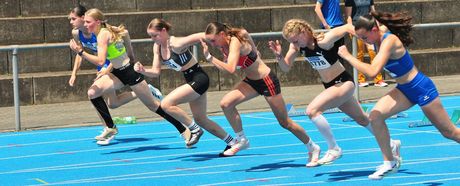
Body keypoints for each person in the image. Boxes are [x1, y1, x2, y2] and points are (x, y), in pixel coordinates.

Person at [337, 11, 460, 179]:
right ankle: (390, 162)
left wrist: (348, 57)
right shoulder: (370, 31)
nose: (363, 42)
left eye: (364, 38)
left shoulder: (390, 41)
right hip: (404, 90)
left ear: (374, 29)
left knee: (450, 133)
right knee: (375, 116)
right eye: (360, 38)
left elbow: (373, 72)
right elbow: (346, 27)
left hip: (421, 88)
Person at [268, 19, 400, 167]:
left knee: (312, 111)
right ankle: (391, 143)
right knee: (362, 119)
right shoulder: (296, 46)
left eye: (297, 41)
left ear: (304, 32)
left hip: (343, 82)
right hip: (330, 86)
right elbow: (285, 67)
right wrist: (279, 56)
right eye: (293, 42)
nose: (296, 45)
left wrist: (367, 40)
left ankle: (334, 148)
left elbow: (347, 27)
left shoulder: (324, 40)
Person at [68, 8, 198, 146]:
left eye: (88, 22)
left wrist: (81, 52)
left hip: (129, 72)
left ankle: (183, 129)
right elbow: (121, 42)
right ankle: (111, 127)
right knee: (93, 93)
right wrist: (111, 67)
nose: (86, 25)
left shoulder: (102, 35)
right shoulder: (103, 31)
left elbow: (100, 60)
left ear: (98, 22)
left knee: (153, 106)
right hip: (116, 72)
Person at [200, 22, 320, 162]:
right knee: (226, 103)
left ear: (222, 34)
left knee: (285, 122)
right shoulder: (224, 45)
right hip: (251, 82)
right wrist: (255, 51)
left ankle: (312, 146)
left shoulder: (234, 42)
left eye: (213, 40)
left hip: (266, 81)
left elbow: (231, 69)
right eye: (210, 42)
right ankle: (242, 139)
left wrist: (209, 58)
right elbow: (244, 32)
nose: (213, 44)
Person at [133, 18, 240, 153]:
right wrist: (143, 71)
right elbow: (155, 72)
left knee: (166, 104)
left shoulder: (176, 43)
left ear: (164, 31)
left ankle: (194, 129)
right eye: (151, 36)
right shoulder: (157, 47)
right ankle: (232, 142)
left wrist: (225, 46)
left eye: (155, 35)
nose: (153, 39)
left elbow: (202, 36)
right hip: (191, 80)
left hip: (199, 78)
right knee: (201, 119)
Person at [67, 5, 163, 125]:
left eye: (73, 19)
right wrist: (74, 74)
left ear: (83, 17)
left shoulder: (101, 30)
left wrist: (129, 54)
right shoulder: (76, 34)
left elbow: (124, 34)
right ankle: (144, 90)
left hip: (111, 63)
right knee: (113, 104)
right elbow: (79, 53)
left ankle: (108, 128)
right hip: (101, 63)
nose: (71, 22)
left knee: (94, 94)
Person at [345, 0, 387, 87]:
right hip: (357, 28)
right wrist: (351, 29)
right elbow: (348, 16)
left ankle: (378, 79)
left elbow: (373, 12)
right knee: (359, 54)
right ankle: (360, 79)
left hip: (369, 27)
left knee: (374, 52)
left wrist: (377, 24)